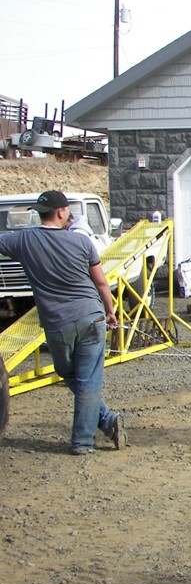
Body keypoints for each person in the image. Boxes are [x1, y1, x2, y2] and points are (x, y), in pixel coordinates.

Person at [0, 190, 126, 455]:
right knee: (87, 380)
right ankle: (92, 432)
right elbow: (101, 282)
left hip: (57, 323)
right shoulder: (81, 243)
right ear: (61, 212)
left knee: (71, 375)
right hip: (92, 316)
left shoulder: (24, 240)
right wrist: (111, 311)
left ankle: (102, 423)